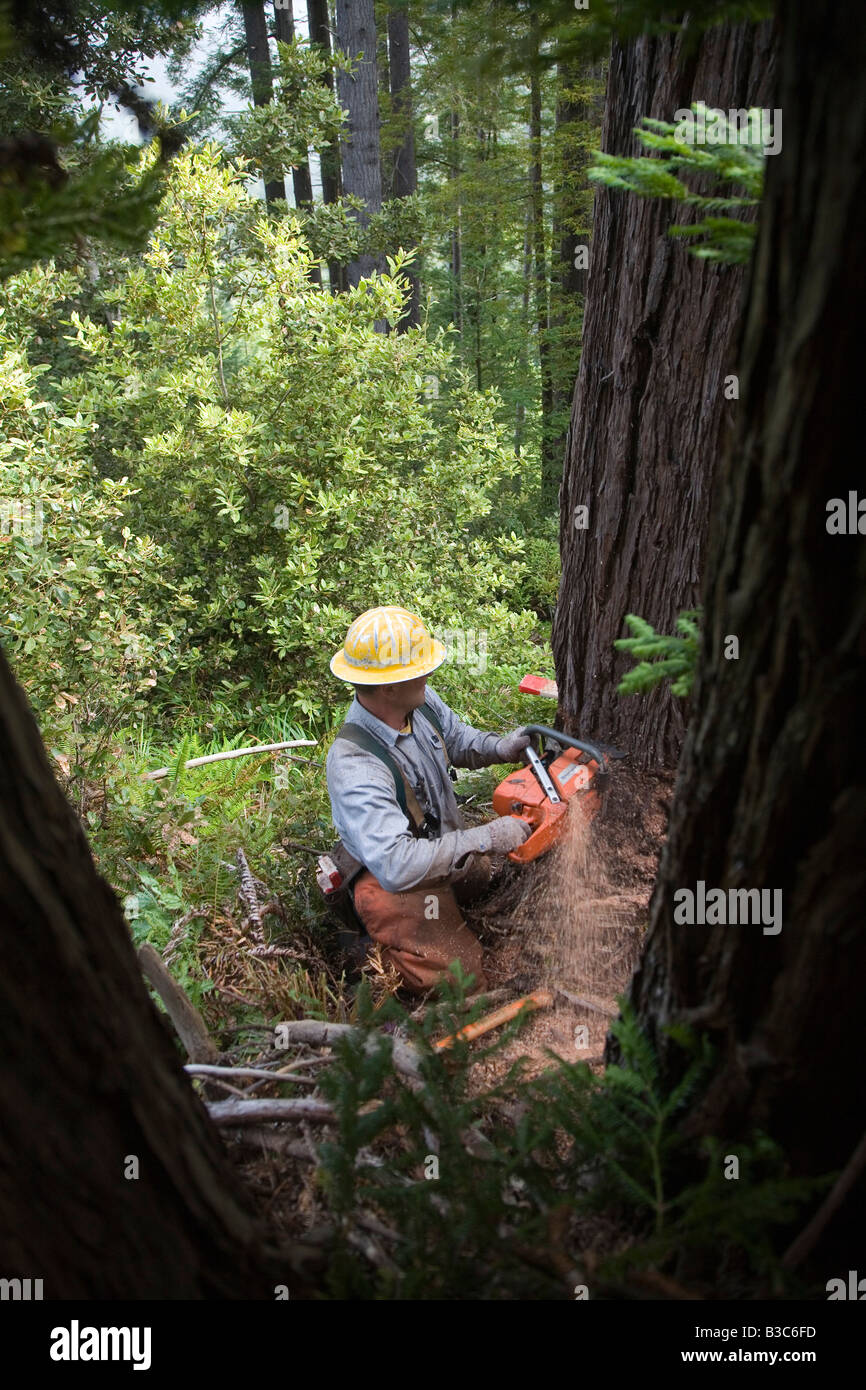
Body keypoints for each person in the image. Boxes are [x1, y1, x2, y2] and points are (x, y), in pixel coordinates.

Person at [325, 605, 532, 995]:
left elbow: (456, 739)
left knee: (485, 876)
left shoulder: (416, 702)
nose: (428, 674)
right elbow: (396, 865)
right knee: (462, 978)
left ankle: (445, 910)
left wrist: (503, 747)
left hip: (436, 847)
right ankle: (368, 954)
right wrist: (485, 837)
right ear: (388, 685)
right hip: (392, 878)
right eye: (419, 668)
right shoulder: (356, 765)